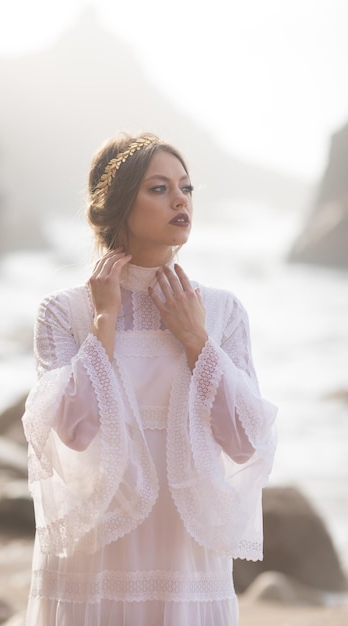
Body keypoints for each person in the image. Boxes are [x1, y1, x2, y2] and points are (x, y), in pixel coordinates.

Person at [22, 131, 277, 626]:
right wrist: (104, 324)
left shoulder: (221, 312)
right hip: (95, 559)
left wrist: (196, 341)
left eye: (185, 187)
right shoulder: (63, 312)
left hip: (186, 557)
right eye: (158, 188)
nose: (180, 198)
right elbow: (75, 432)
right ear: (118, 204)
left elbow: (247, 443)